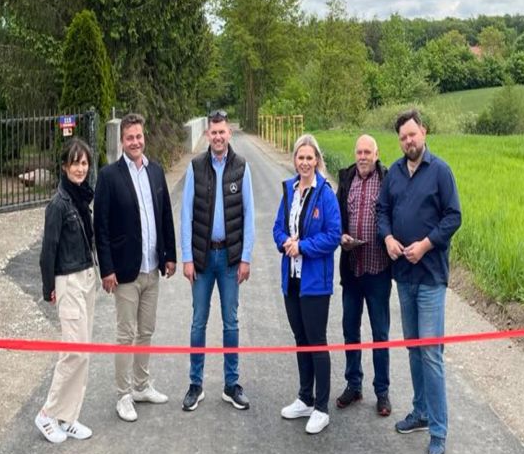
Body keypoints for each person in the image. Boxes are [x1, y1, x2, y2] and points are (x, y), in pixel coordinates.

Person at [376, 109, 461, 454]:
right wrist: (388, 238)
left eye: (412, 134)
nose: (408, 141)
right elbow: (382, 211)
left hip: (430, 276)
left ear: (423, 132)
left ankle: (438, 430)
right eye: (403, 137)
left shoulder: (440, 171)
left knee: (431, 353)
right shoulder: (394, 174)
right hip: (404, 276)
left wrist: (426, 244)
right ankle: (421, 411)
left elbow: (453, 216)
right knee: (413, 348)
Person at [94, 113, 177, 422]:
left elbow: (165, 214)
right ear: (122, 141)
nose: (135, 142)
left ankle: (141, 386)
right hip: (125, 272)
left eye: (139, 136)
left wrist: (170, 255)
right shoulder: (109, 176)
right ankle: (123, 394)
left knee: (146, 331)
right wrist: (107, 269)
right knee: (125, 334)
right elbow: (101, 226)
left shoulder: (155, 171)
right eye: (129, 138)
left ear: (144, 137)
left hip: (152, 268)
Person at [180, 110, 255, 412]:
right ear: (207, 134)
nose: (218, 137)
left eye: (222, 132)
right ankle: (195, 384)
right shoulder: (195, 167)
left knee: (231, 322)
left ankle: (231, 384)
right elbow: (186, 214)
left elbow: (249, 214)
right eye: (214, 132)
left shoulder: (242, 167)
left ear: (229, 133)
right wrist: (187, 257)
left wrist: (246, 257)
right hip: (201, 257)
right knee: (198, 322)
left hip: (230, 258)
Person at [272, 134, 341, 435]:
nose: (304, 162)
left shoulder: (325, 193)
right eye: (300, 157)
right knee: (300, 338)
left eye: (309, 158)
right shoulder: (289, 190)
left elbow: (333, 235)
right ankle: (305, 397)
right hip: (292, 279)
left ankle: (321, 408)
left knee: (316, 340)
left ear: (317, 160)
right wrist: (285, 242)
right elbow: (277, 227)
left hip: (315, 282)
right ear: (295, 160)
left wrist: (303, 247)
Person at [35, 138, 97, 443]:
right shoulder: (58, 204)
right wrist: (49, 288)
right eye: (75, 163)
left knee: (84, 353)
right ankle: (47, 413)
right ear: (64, 166)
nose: (80, 168)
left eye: (84, 163)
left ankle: (68, 416)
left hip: (87, 277)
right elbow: (48, 251)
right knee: (73, 351)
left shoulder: (82, 198)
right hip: (68, 280)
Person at [335, 134, 392, 416]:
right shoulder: (347, 180)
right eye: (359, 152)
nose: (363, 157)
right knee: (350, 329)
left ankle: (382, 392)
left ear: (376, 154)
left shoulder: (387, 180)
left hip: (378, 269)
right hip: (352, 269)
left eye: (368, 152)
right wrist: (341, 236)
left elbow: (393, 216)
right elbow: (337, 219)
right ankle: (353, 384)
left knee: (380, 333)